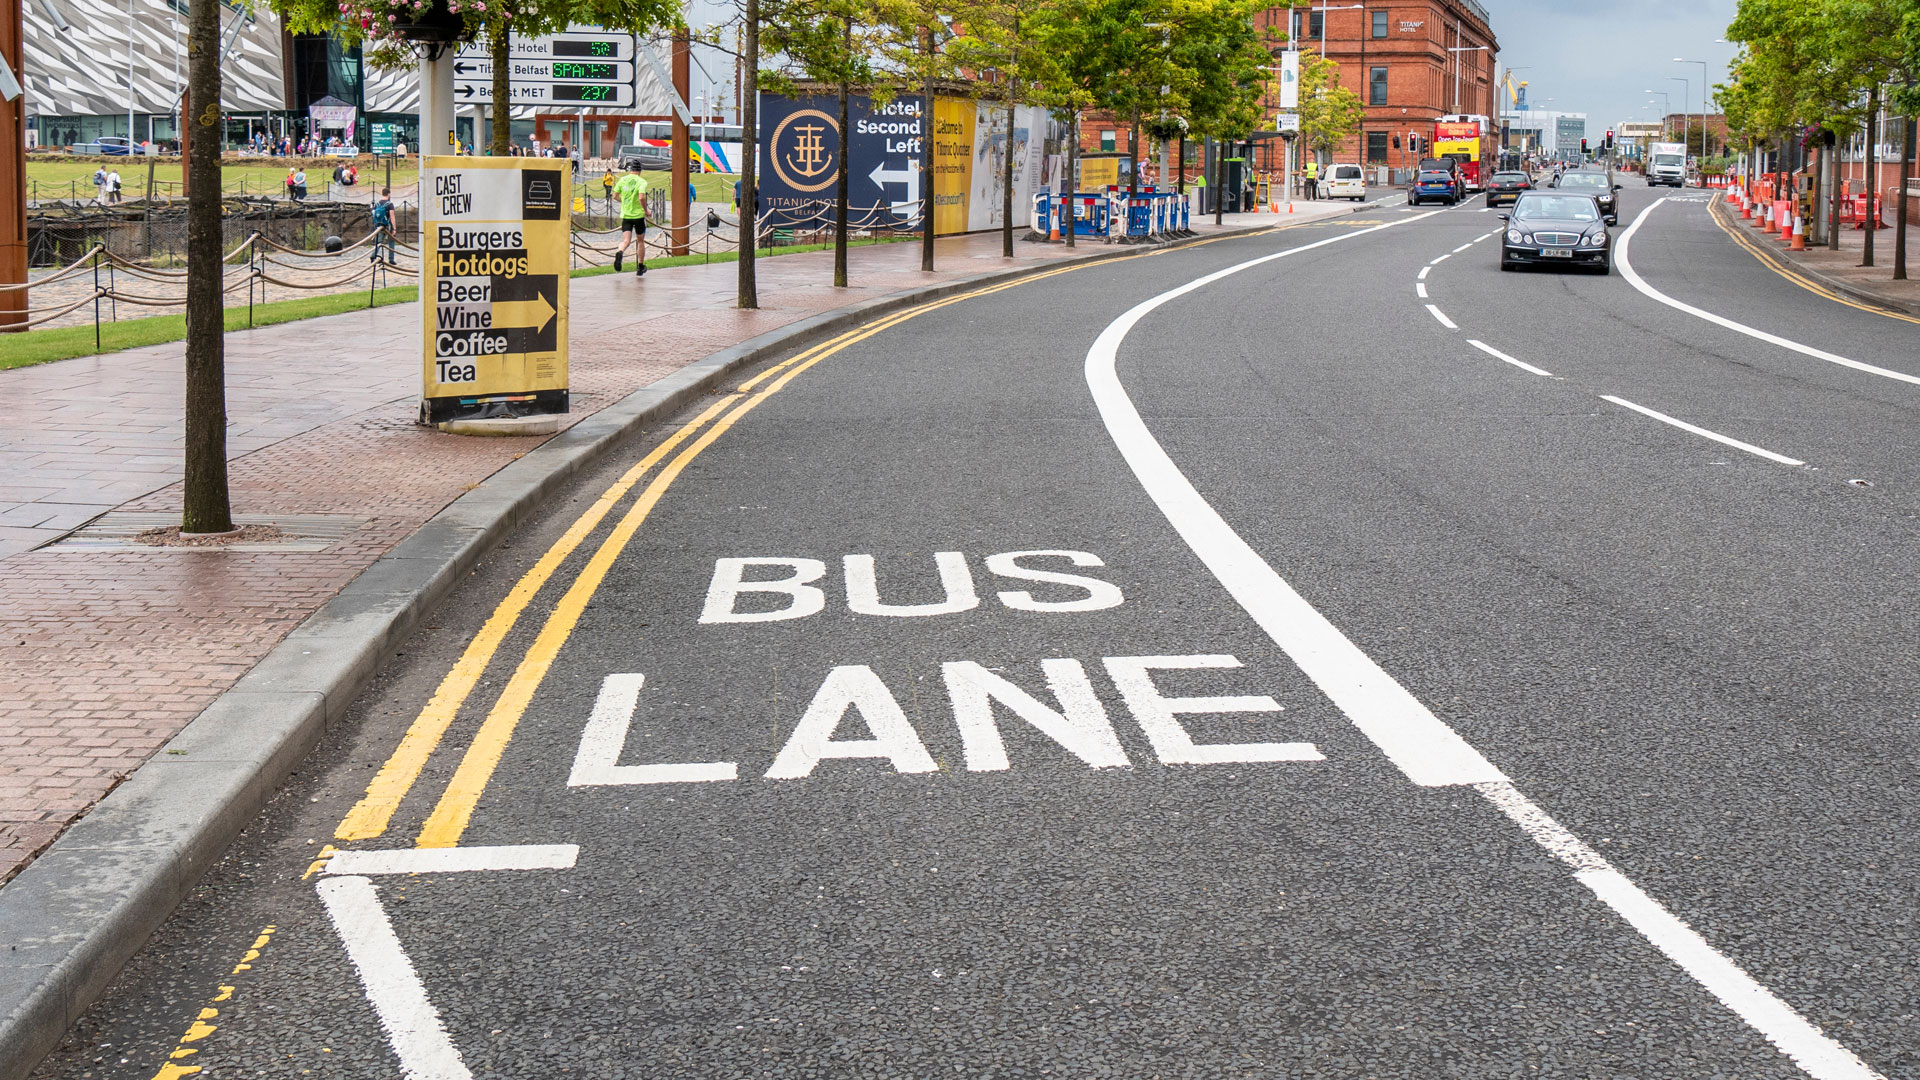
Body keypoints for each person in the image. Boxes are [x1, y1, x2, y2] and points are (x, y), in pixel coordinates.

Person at [611, 161, 649, 276]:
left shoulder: (623, 180)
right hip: (638, 216)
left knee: (626, 241)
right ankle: (640, 266)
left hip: (626, 215)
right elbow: (641, 197)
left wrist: (624, 201)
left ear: (630, 170)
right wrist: (646, 210)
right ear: (640, 171)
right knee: (640, 241)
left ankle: (620, 251)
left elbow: (614, 195)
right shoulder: (641, 182)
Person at [371, 187, 395, 265]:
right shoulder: (390, 204)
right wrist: (394, 228)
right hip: (387, 225)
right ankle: (391, 259)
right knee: (391, 241)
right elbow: (392, 216)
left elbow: (374, 214)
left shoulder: (377, 204)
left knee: (379, 242)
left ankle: (373, 255)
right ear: (389, 194)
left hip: (379, 225)